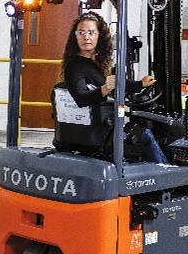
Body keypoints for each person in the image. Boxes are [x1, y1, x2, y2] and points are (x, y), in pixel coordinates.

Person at [59, 12, 168, 163]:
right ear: (75, 37)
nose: (86, 37)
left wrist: (140, 84)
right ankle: (167, 172)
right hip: (100, 133)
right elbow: (81, 98)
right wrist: (103, 90)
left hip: (102, 127)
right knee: (144, 134)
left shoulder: (94, 64)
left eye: (91, 32)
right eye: (81, 33)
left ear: (99, 36)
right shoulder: (75, 66)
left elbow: (114, 84)